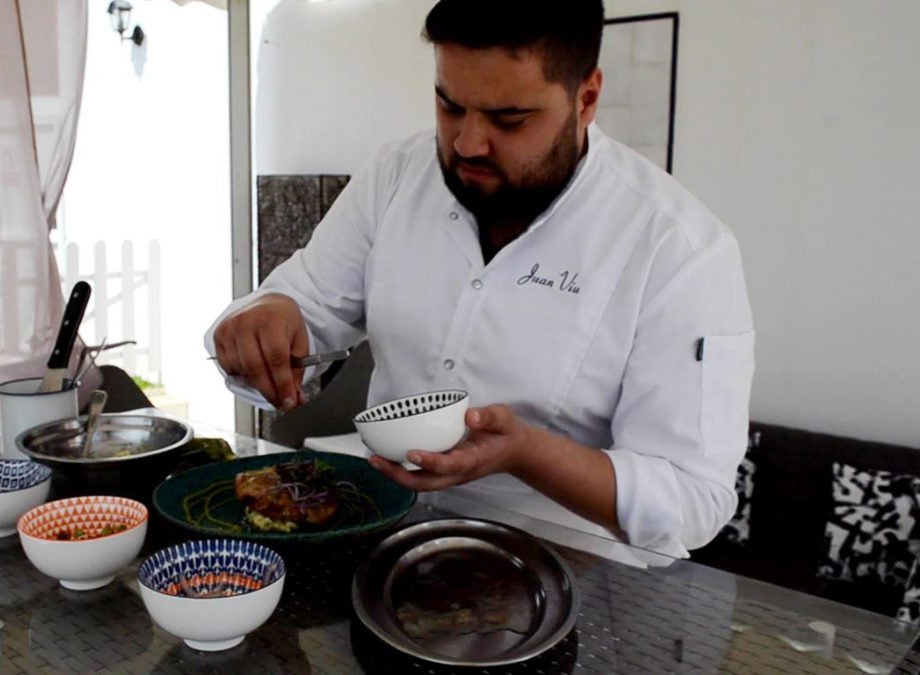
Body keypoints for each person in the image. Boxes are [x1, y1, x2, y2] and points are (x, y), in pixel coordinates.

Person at [205, 0, 754, 556]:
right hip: (389, 546)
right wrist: (265, 319)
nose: (468, 143)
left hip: (575, 585)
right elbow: (304, 303)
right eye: (449, 106)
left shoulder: (679, 248)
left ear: (585, 99)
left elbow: (692, 502)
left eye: (508, 119)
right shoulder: (397, 177)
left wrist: (524, 453)